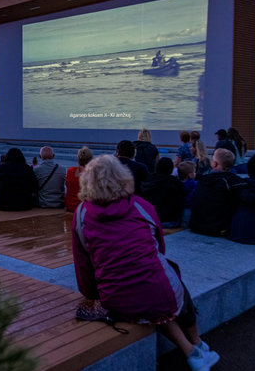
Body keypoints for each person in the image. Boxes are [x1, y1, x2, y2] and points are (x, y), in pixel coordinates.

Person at [72, 155, 219, 370]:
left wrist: (92, 295)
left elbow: (83, 264)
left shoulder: (81, 214)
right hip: (157, 292)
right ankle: (196, 344)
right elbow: (159, 249)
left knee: (148, 299)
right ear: (122, 177)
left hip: (114, 298)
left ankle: (193, 352)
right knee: (167, 288)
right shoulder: (141, 206)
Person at [189, 148, 246, 236]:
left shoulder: (203, 180)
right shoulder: (234, 182)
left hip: (197, 225)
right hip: (218, 227)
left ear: (214, 164)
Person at [141, 157, 185, 228]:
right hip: (168, 220)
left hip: (148, 218)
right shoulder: (175, 183)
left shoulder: (148, 180)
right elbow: (180, 203)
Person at [65, 146, 93, 212]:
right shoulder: (91, 174)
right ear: (91, 159)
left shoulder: (70, 170)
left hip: (70, 205)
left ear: (78, 158)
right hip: (83, 208)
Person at [177, 161, 197, 228]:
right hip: (189, 207)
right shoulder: (194, 184)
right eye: (194, 172)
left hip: (179, 207)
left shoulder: (177, 183)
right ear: (190, 174)